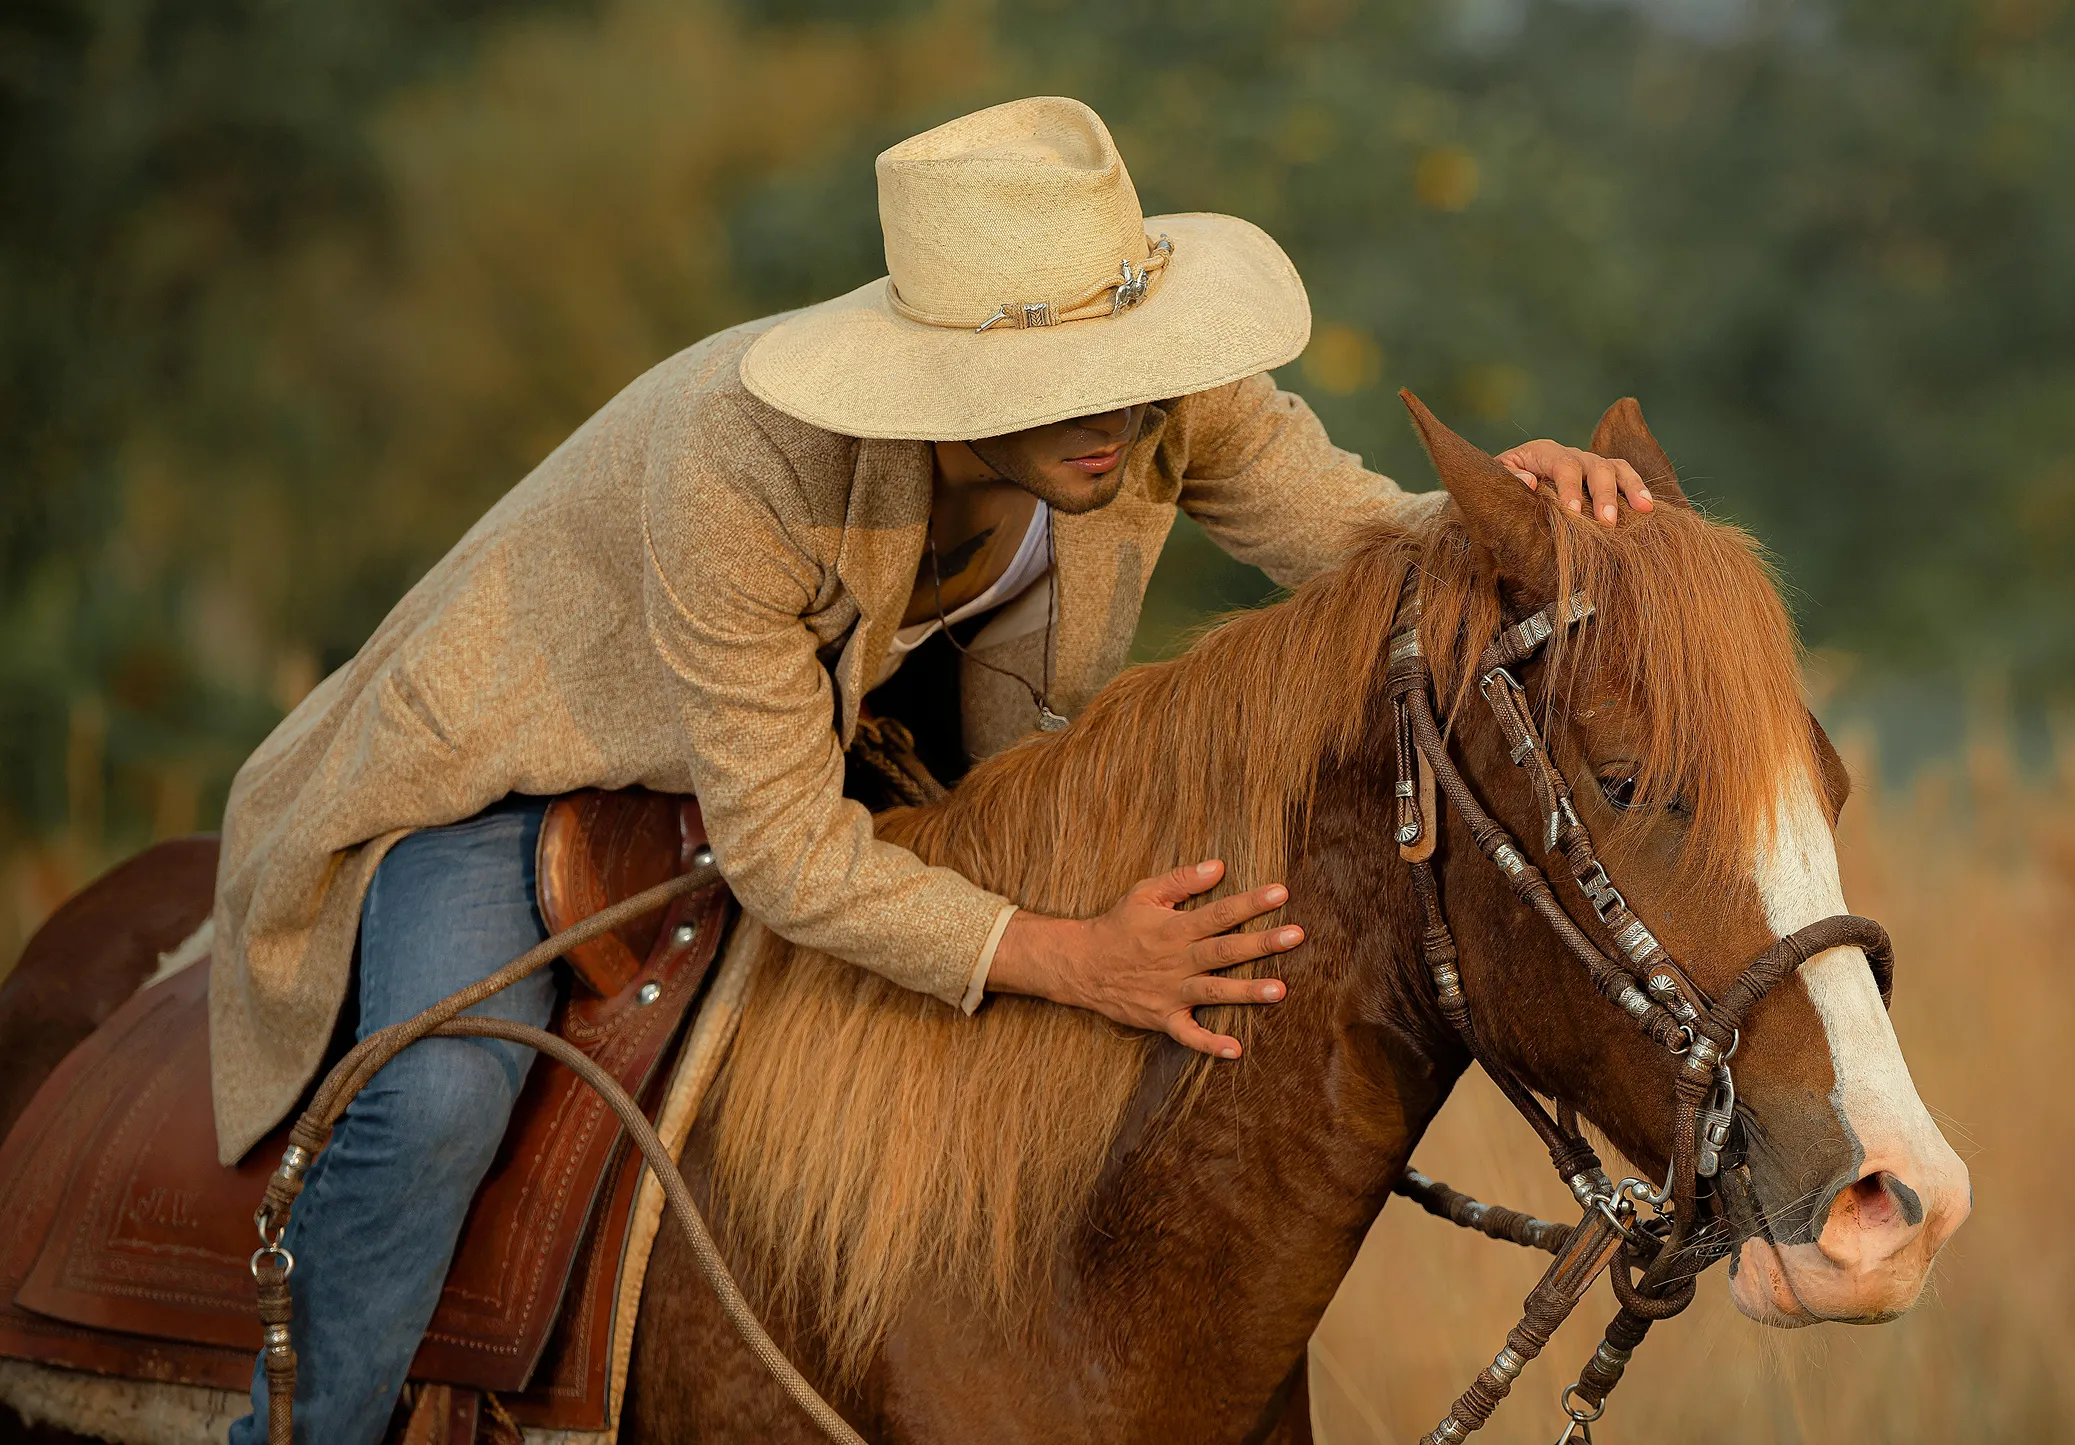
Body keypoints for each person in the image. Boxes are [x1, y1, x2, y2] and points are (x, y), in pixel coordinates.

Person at [210, 95, 1654, 1443]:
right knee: (442, 1094)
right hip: (521, 764)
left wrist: (1505, 525)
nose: (1118, 414)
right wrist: (1074, 956)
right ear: (944, 377)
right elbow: (782, 851)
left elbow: (1349, 530)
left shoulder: (1155, 401)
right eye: (1065, 380)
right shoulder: (746, 466)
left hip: (839, 749)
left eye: (1133, 373)